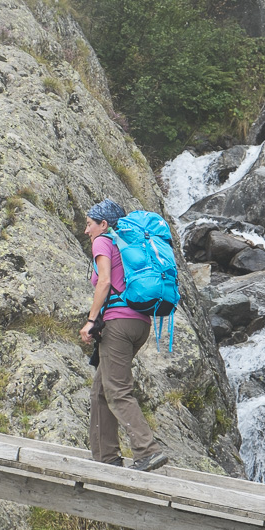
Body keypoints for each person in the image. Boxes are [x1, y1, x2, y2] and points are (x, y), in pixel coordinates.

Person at [79, 199, 169, 473]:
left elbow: (104, 281)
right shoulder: (127, 244)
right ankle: (106, 457)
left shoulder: (103, 242)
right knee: (101, 391)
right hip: (140, 324)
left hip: (118, 324)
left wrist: (91, 320)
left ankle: (147, 451)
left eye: (89, 223)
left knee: (117, 391)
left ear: (103, 224)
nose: (86, 230)